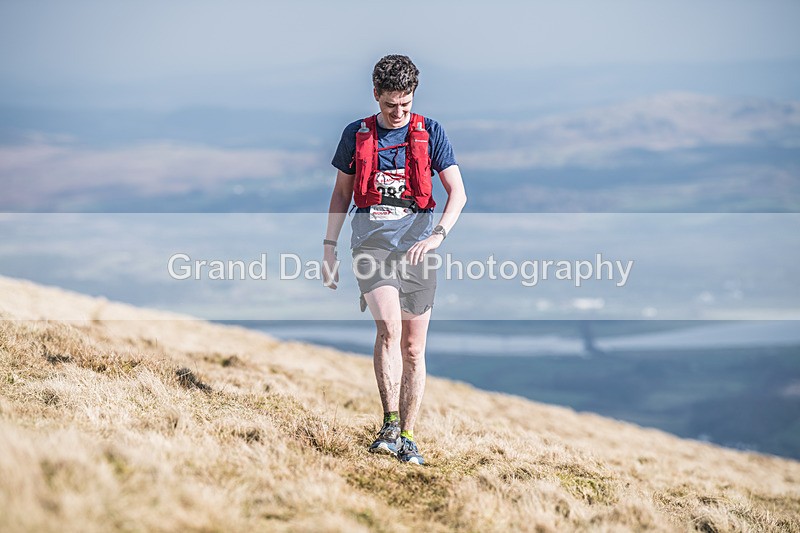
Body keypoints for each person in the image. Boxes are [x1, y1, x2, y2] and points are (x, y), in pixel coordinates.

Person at [323, 54, 467, 465]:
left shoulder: (430, 132)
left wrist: (439, 234)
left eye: (405, 104)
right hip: (372, 246)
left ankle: (406, 436)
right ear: (376, 96)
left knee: (413, 348)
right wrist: (328, 247)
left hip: (420, 248)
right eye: (390, 105)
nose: (399, 113)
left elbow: (458, 192)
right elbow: (340, 195)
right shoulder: (356, 135)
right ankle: (387, 425)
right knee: (388, 328)